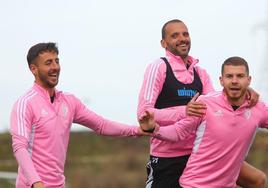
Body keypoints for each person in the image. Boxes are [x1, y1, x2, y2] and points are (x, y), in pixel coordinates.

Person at [137, 19, 266, 188]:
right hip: (169, 155)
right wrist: (185, 111)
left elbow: (217, 103)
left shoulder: (200, 72)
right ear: (164, 43)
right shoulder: (159, 67)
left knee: (258, 180)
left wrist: (244, 89)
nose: (182, 38)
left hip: (201, 153)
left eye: (185, 34)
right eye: (174, 35)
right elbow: (143, 113)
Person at [10, 42, 143, 188]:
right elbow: (20, 147)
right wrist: (36, 182)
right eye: (48, 63)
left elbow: (101, 125)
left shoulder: (69, 101)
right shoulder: (25, 103)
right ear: (33, 69)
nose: (55, 67)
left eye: (57, 61)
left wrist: (137, 130)